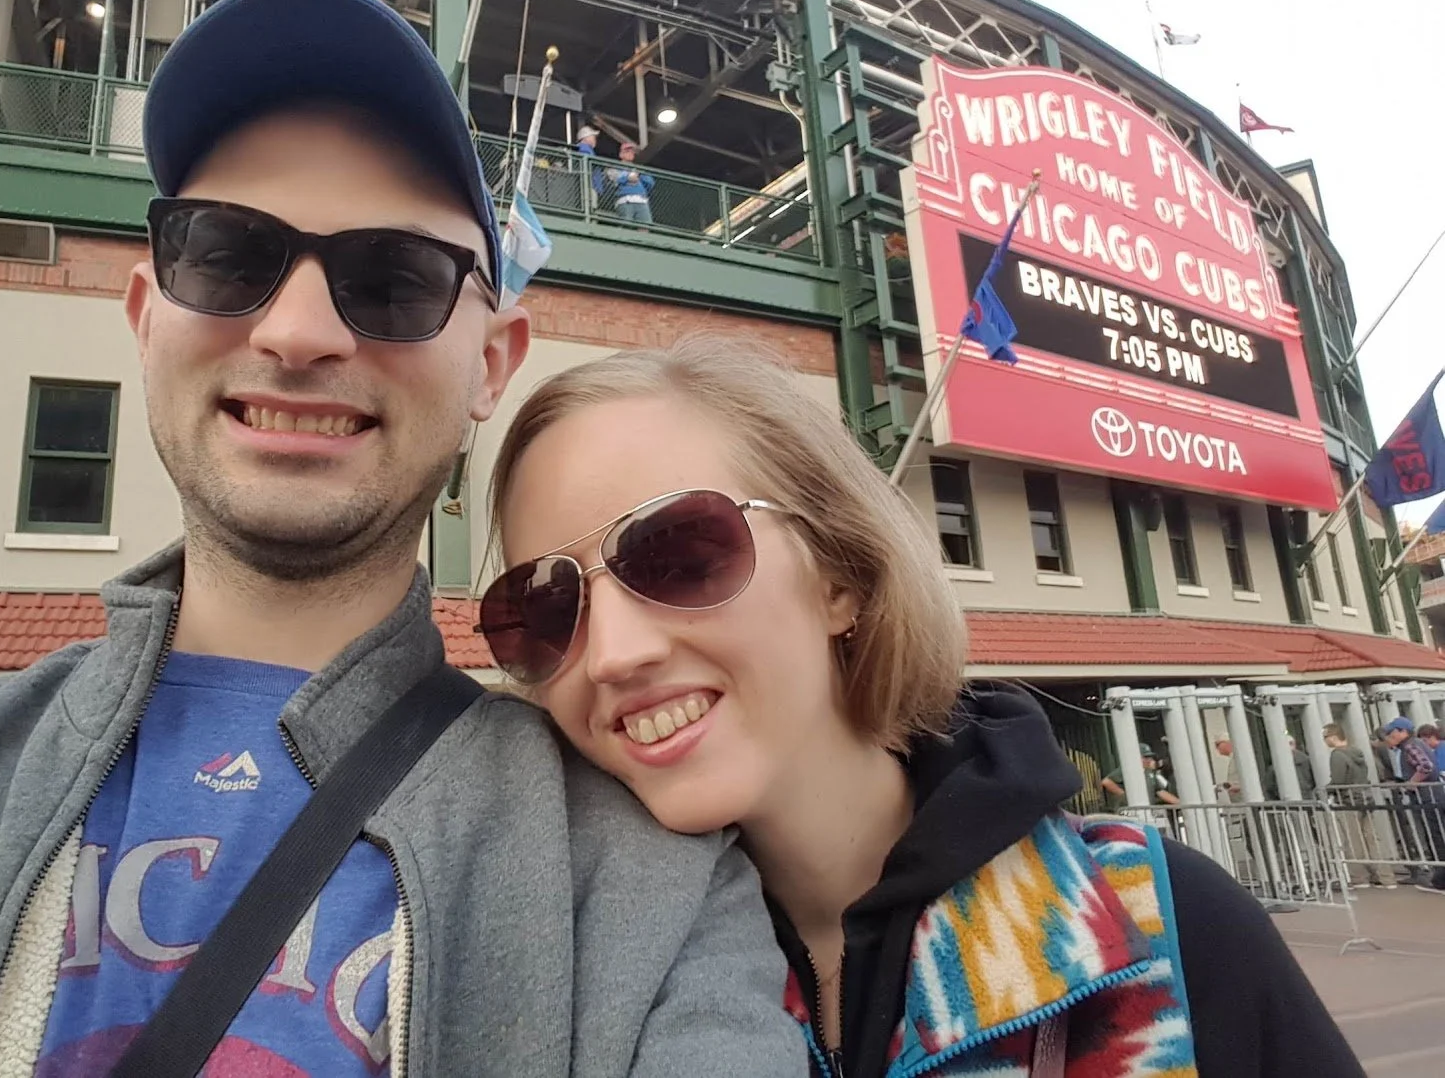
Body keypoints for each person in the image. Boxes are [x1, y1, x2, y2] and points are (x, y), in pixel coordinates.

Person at [0, 0, 805, 1077]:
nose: (295, 331)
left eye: (391, 278)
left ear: (491, 361)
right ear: (149, 319)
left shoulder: (636, 879)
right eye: (229, 256)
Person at [480, 336, 1360, 1077]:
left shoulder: (1156, 923)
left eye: (678, 553)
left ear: (840, 578)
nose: (616, 652)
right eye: (543, 608)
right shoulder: (578, 984)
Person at [1322, 724, 1396, 888]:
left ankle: (1360, 877)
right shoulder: (1357, 752)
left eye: (1325, 738)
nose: (1325, 742)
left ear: (1332, 737)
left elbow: (1339, 780)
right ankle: (1386, 877)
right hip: (1365, 798)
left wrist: (1328, 790)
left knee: (1353, 840)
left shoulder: (1337, 755)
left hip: (1348, 801)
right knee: (1373, 839)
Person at [1381, 716, 1445, 893]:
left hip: (1428, 797)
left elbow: (1425, 766)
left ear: (1403, 731)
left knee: (1436, 836)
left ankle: (1441, 879)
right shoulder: (1414, 744)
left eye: (1392, 731)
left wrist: (1411, 783)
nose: (1389, 735)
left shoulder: (1410, 746)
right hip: (1434, 795)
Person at [1100, 745, 1182, 808]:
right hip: (1130, 810)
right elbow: (1106, 781)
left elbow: (1159, 791)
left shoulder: (1149, 772)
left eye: (1149, 757)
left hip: (1147, 810)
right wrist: (1124, 795)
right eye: (1145, 757)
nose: (1149, 760)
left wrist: (1179, 803)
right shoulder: (1128, 769)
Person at [598, 139, 656, 224]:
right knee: (626, 225)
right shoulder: (614, 167)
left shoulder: (638, 169)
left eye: (632, 151)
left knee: (646, 226)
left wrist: (639, 175)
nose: (631, 153)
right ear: (621, 154)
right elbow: (612, 178)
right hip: (625, 200)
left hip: (641, 200)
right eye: (627, 151)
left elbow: (651, 183)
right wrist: (627, 177)